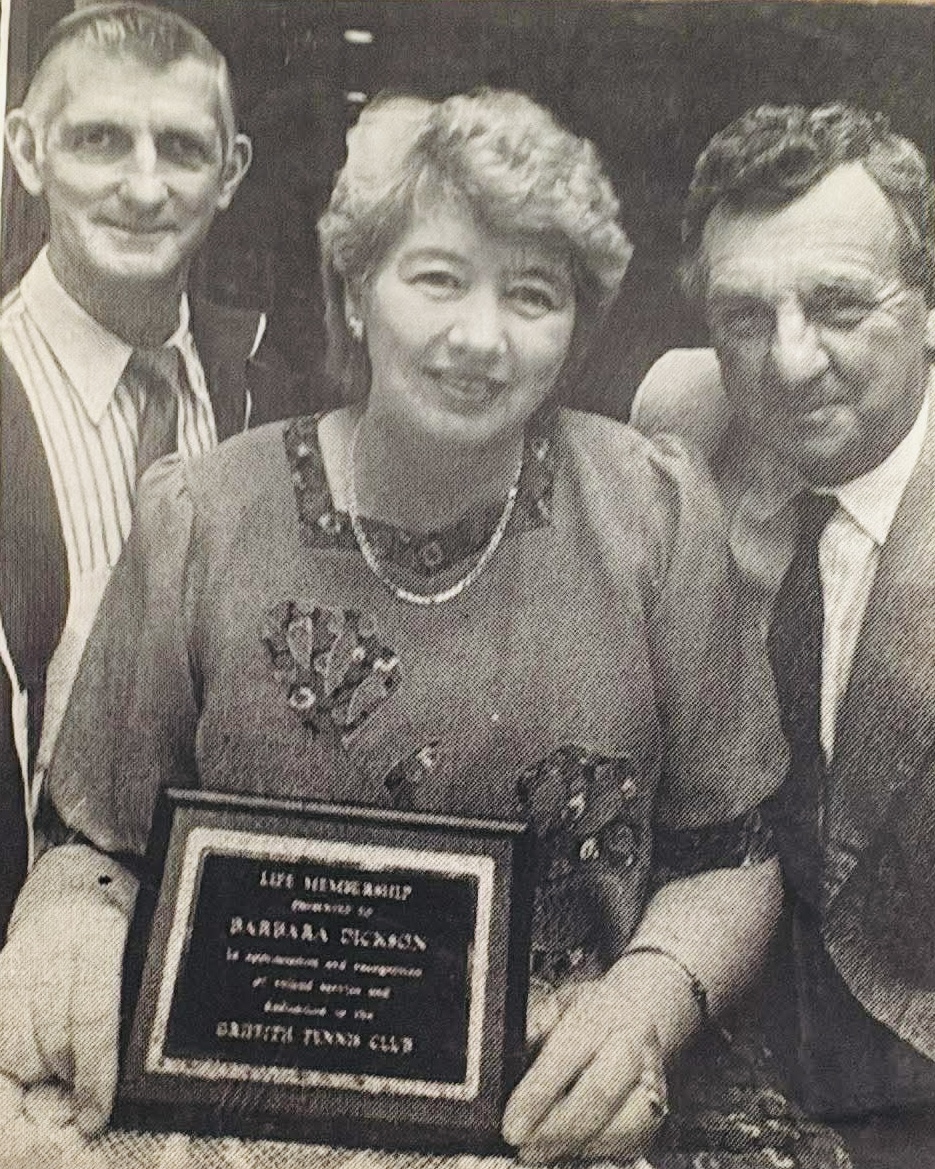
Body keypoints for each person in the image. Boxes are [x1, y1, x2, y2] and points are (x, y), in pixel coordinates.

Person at [0, 89, 788, 1165]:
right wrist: (74, 927)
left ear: (575, 324)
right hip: (243, 1118)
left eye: (530, 294)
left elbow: (732, 855)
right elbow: (92, 841)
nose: (479, 336)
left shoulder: (654, 510)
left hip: (550, 1112)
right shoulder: (201, 514)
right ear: (356, 292)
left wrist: (646, 999)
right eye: (436, 278)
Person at [632, 103, 935, 1162]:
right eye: (744, 316)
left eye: (838, 306)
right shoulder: (679, 416)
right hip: (722, 1034)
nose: (789, 362)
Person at [0, 2, 303, 941]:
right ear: (27, 151)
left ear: (229, 173)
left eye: (179, 148)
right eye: (99, 141)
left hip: (212, 957)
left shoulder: (271, 396)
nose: (142, 186)